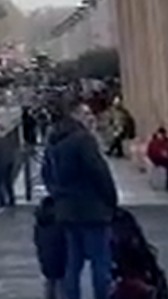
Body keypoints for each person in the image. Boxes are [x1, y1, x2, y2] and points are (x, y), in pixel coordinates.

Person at [41, 101, 118, 299]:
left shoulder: (54, 141)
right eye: (85, 113)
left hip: (67, 211)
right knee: (100, 261)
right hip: (92, 209)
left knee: (73, 264)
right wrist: (111, 200)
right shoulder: (83, 140)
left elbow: (46, 174)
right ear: (75, 115)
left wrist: (59, 195)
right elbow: (99, 172)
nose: (89, 117)